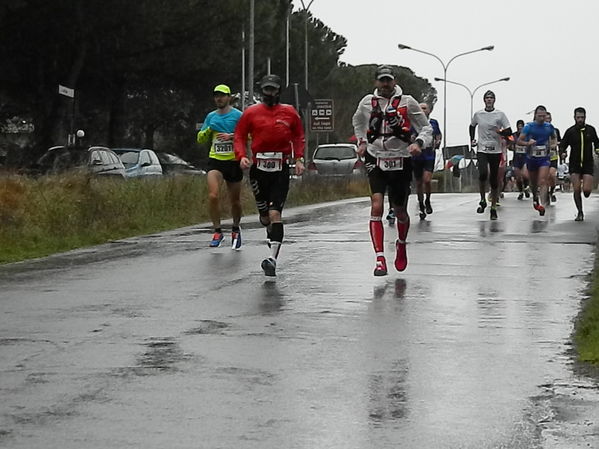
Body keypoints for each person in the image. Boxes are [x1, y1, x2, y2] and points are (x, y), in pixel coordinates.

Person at [352, 65, 432, 276]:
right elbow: (357, 121)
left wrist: (419, 143)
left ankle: (401, 243)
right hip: (375, 157)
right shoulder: (367, 102)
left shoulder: (408, 102)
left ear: (394, 82)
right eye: (382, 80)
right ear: (376, 83)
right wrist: (361, 141)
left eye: (389, 80)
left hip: (400, 159)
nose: (385, 84)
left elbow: (426, 128)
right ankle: (379, 259)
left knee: (400, 211)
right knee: (376, 205)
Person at [233, 74, 305, 276]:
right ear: (261, 91)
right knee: (265, 217)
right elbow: (239, 135)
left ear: (279, 91)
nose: (269, 93)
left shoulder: (289, 112)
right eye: (266, 90)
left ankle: (272, 259)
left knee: (275, 214)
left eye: (273, 90)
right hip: (259, 169)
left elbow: (299, 136)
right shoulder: (251, 113)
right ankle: (270, 230)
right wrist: (241, 156)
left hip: (280, 168)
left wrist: (299, 159)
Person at [197, 84, 244, 248]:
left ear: (229, 97)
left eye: (222, 95)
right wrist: (209, 130)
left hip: (233, 161)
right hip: (215, 160)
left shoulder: (238, 116)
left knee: (235, 201)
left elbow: (249, 135)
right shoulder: (211, 116)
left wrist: (231, 136)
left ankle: (236, 229)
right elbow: (200, 138)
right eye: (216, 95)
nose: (219, 98)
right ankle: (217, 231)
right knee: (213, 196)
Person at [469, 90, 512, 220]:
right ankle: (482, 200)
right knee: (482, 174)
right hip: (482, 149)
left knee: (494, 179)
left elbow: (509, 131)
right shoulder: (478, 114)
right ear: (484, 100)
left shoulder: (500, 114)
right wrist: (472, 139)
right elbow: (472, 126)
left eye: (491, 98)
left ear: (494, 100)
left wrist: (501, 132)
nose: (489, 100)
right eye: (487, 98)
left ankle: (493, 207)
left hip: (496, 150)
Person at [559, 107, 599, 221]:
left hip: (588, 163)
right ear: (574, 118)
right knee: (576, 189)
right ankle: (580, 212)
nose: (580, 120)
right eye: (578, 117)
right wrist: (562, 153)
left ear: (585, 117)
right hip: (574, 163)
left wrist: (597, 150)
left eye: (582, 117)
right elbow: (562, 145)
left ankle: (586, 192)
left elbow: (597, 143)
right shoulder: (570, 131)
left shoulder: (591, 130)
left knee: (586, 191)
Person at [517, 105, 556, 216]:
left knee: (543, 181)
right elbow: (519, 141)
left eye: (544, 116)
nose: (542, 118)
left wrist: (552, 145)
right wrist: (527, 143)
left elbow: (554, 138)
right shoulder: (529, 127)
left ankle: (543, 205)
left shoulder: (549, 127)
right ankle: (535, 198)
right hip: (531, 158)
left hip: (544, 158)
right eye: (540, 116)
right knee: (533, 183)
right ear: (535, 115)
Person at [412, 102, 441, 220]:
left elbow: (438, 135)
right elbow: (409, 134)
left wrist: (438, 142)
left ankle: (428, 200)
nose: (422, 111)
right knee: (419, 183)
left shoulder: (433, 122)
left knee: (427, 180)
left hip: (429, 154)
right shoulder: (413, 122)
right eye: (420, 109)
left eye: (424, 108)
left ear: (429, 110)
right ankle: (421, 205)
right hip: (417, 155)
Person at [511, 119, 531, 200]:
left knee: (525, 174)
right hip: (516, 158)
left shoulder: (527, 135)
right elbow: (510, 145)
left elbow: (531, 144)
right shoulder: (514, 135)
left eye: (521, 127)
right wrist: (512, 147)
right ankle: (521, 192)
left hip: (525, 157)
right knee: (518, 177)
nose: (520, 128)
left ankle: (526, 187)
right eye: (518, 127)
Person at [545, 111, 562, 203]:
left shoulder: (555, 130)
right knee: (546, 176)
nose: (547, 120)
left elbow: (560, 141)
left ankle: (552, 190)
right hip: (543, 156)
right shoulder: (540, 130)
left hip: (553, 155)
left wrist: (556, 144)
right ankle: (546, 193)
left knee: (552, 174)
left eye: (549, 118)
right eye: (545, 118)